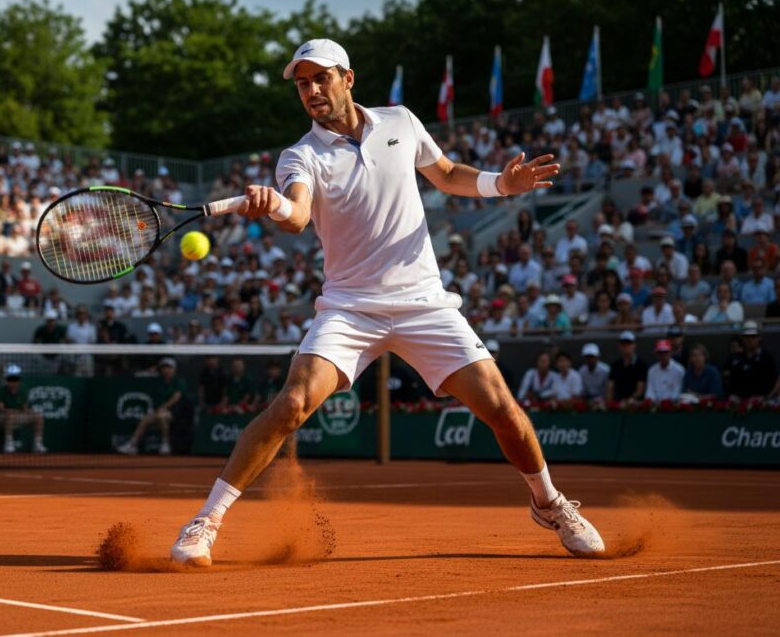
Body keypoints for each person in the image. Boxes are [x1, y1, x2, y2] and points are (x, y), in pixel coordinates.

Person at [169, 39, 603, 567]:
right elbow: (298, 215)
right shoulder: (300, 156)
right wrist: (274, 204)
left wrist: (501, 185)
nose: (311, 90)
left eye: (320, 78)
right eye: (302, 84)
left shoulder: (400, 120)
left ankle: (550, 504)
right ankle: (206, 522)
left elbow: (446, 174)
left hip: (424, 303)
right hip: (350, 309)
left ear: (347, 79)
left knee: (502, 409)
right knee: (292, 404)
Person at [117, 358, 186, 456]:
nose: (166, 370)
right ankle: (132, 445)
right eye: (164, 368)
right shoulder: (159, 381)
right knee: (145, 419)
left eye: (169, 367)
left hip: (176, 412)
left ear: (174, 369)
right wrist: (157, 409)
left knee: (161, 416)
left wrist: (163, 407)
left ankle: (165, 444)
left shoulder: (179, 381)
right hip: (158, 411)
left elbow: (176, 398)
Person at [0, 364, 47, 454]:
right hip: (1, 418)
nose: (13, 382)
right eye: (11, 379)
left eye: (15, 379)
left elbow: (25, 409)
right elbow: (1, 409)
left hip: (18, 416)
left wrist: (28, 412)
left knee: (38, 417)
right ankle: (8, 444)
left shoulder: (23, 390)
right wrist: (13, 412)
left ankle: (37, 444)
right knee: (10, 416)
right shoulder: (1, 391)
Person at [727, 321, 778, 399]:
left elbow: (771, 383)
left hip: (761, 401)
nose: (750, 340)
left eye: (753, 336)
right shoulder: (736, 359)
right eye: (746, 337)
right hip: (739, 401)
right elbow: (732, 381)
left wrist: (763, 397)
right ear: (742, 338)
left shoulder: (767, 359)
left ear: (759, 338)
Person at [608, 331, 647, 404]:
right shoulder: (615, 365)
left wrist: (628, 401)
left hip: (636, 404)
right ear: (619, 346)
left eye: (629, 344)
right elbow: (610, 387)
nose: (626, 346)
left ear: (634, 345)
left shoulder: (641, 365)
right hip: (618, 403)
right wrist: (609, 403)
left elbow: (640, 389)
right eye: (623, 344)